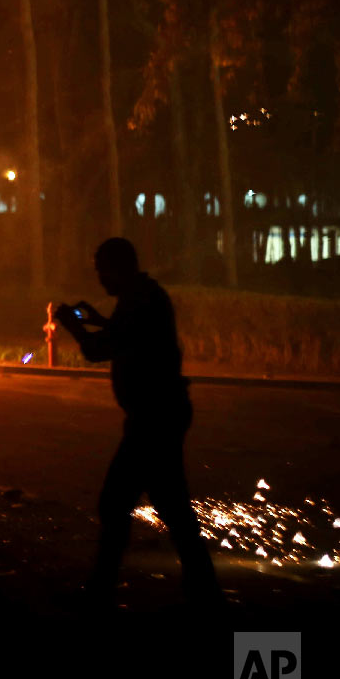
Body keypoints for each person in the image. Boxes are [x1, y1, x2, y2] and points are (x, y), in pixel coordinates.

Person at [54, 237, 222, 608]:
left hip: (153, 419)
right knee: (172, 506)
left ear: (118, 267)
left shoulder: (139, 301)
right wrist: (99, 320)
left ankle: (101, 591)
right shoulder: (142, 296)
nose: (100, 279)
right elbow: (124, 336)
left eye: (102, 270)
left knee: (116, 503)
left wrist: (74, 325)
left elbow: (99, 349)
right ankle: (204, 589)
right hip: (160, 414)